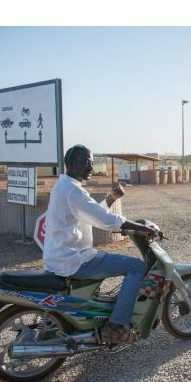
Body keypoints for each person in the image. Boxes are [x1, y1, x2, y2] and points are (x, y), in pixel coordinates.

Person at [43, 144, 159, 345]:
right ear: (69, 163)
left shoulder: (65, 186)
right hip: (74, 260)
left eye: (91, 162)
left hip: (61, 257)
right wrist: (144, 229)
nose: (90, 167)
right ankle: (115, 326)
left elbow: (92, 214)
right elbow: (106, 220)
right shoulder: (72, 191)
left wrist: (112, 198)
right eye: (85, 162)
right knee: (137, 267)